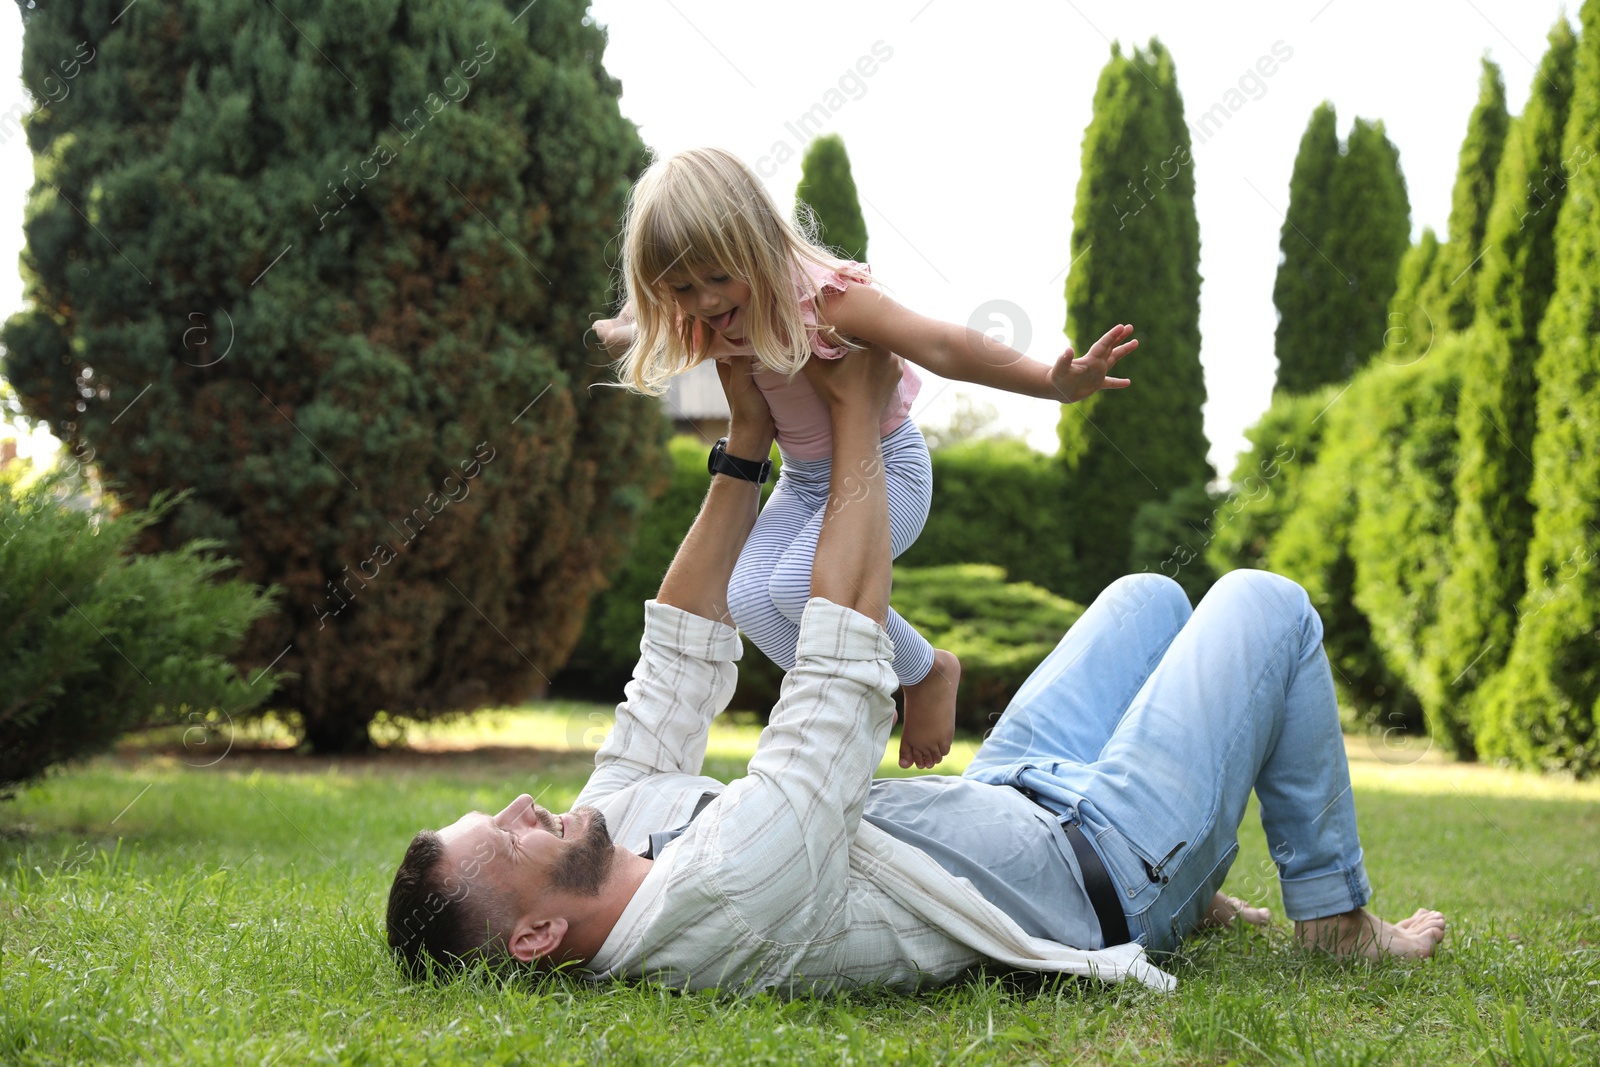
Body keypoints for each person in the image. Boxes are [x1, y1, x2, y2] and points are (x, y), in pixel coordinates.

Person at [385, 345, 1445, 992]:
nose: (528, 802)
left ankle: (1208, 891)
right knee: (1264, 602)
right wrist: (853, 410)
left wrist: (747, 441)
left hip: (1004, 794)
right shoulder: (724, 903)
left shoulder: (616, 828)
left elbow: (674, 650)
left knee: (1146, 596)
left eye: (503, 805)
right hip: (1102, 864)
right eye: (508, 832)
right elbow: (841, 654)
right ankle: (1333, 919)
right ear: (534, 933)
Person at [592, 146, 1137, 770]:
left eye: (719, 277)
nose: (708, 301)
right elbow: (654, 322)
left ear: (757, 244)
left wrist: (1053, 383)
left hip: (887, 468)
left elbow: (940, 343)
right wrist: (620, 329)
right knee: (747, 596)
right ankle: (837, 705)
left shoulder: (825, 302)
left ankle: (926, 671)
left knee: (799, 587)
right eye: (685, 288)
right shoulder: (704, 315)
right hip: (801, 484)